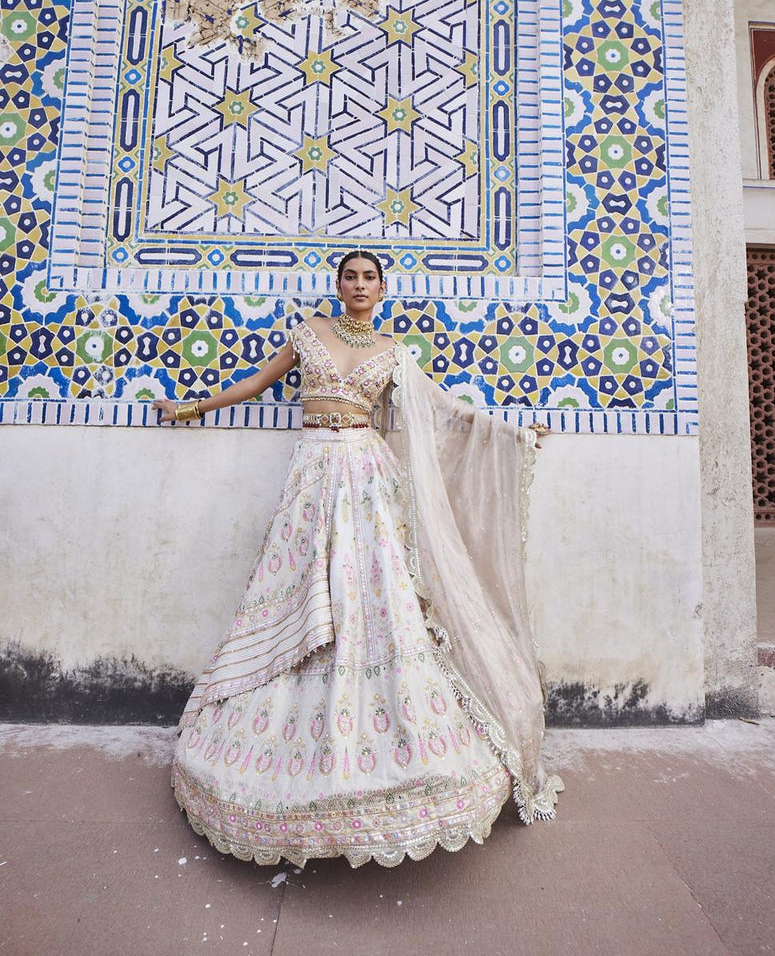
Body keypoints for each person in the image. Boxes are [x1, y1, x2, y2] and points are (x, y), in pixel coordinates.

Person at [152, 250, 562, 868]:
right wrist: (192, 407)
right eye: (350, 277)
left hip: (368, 479)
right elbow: (257, 383)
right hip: (312, 476)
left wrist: (512, 435)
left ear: (383, 287)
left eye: (369, 278)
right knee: (298, 593)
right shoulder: (309, 333)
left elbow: (445, 412)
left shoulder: (396, 354)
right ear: (338, 284)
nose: (359, 286)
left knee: (374, 599)